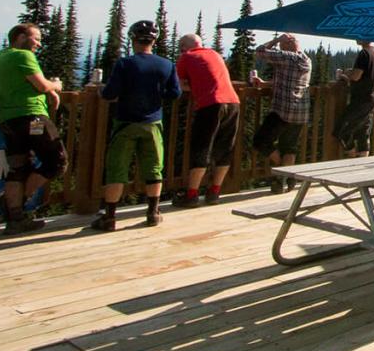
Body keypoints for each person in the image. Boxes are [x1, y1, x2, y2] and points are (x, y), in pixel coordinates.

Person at [91, 20, 181, 231]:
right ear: (154, 40)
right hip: (153, 123)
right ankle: (153, 212)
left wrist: (99, 91)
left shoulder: (125, 63)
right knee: (154, 167)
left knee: (117, 168)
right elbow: (175, 93)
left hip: (126, 122)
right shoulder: (167, 64)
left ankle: (110, 217)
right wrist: (157, 95)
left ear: (133, 40)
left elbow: (110, 93)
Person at [0, 23, 66, 235]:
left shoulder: (1, 55)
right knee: (57, 160)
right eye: (36, 38)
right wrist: (56, 86)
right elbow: (41, 85)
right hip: (32, 118)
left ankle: (15, 217)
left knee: (18, 167)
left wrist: (47, 91)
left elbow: (27, 84)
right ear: (21, 37)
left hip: (8, 120)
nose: (39, 44)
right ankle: (16, 203)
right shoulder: (23, 56)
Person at [173, 33, 242, 207]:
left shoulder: (186, 57)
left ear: (183, 46)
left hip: (211, 104)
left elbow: (180, 84)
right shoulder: (215, 54)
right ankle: (214, 192)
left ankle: (191, 194)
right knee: (225, 147)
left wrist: (194, 86)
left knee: (202, 147)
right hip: (233, 102)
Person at [250, 33, 312, 192]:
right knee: (289, 147)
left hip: (283, 110)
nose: (279, 48)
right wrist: (266, 84)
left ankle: (282, 170)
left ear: (286, 45)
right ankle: (286, 178)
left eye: (281, 45)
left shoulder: (287, 57)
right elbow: (290, 80)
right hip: (300, 112)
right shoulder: (306, 59)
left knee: (260, 141)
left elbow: (260, 51)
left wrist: (276, 39)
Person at [333, 40, 374, 158]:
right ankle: (361, 167)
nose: (355, 38)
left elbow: (356, 76)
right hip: (372, 97)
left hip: (362, 98)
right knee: (362, 134)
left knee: (341, 129)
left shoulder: (364, 53)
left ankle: (351, 157)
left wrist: (344, 76)